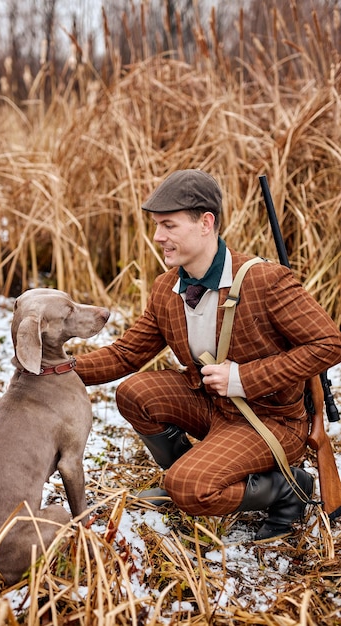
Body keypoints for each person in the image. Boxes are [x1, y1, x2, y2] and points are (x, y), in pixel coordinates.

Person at [75, 169, 341, 540]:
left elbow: (329, 344)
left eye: (168, 225)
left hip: (269, 420)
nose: (158, 237)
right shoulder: (167, 288)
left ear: (206, 223)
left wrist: (243, 378)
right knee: (134, 394)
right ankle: (199, 472)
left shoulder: (265, 281)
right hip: (213, 406)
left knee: (188, 488)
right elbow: (125, 355)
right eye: (156, 226)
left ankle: (287, 489)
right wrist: (59, 369)